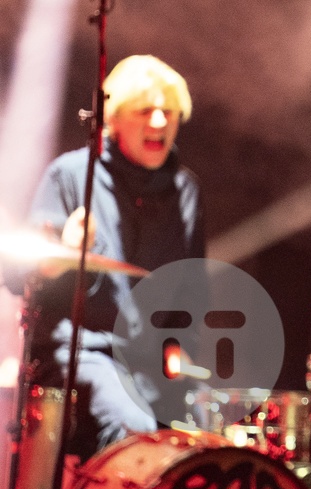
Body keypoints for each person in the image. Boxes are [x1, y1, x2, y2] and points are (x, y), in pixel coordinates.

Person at [16, 54, 204, 465]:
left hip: (149, 361)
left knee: (206, 442)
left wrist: (179, 353)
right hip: (82, 353)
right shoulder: (70, 175)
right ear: (113, 119)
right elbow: (18, 275)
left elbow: (189, 295)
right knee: (133, 427)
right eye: (145, 110)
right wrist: (62, 255)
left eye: (169, 112)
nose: (159, 121)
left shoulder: (186, 191)